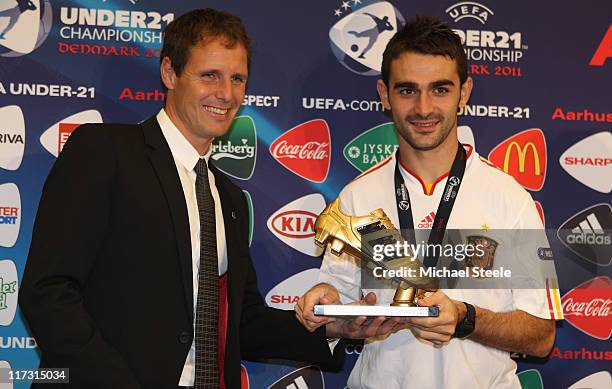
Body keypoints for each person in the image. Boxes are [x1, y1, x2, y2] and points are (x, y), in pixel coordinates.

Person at [18, 8, 400, 389]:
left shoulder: (228, 197)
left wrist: (333, 328)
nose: (227, 93)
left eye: (237, 79)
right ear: (169, 73)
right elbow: (48, 292)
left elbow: (243, 322)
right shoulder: (105, 152)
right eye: (209, 76)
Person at [296, 16, 560, 389]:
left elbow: (542, 334)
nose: (423, 108)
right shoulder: (358, 197)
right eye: (407, 90)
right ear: (384, 95)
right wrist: (326, 307)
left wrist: (464, 319)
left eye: (440, 89)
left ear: (463, 93)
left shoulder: (512, 199)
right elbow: (336, 315)